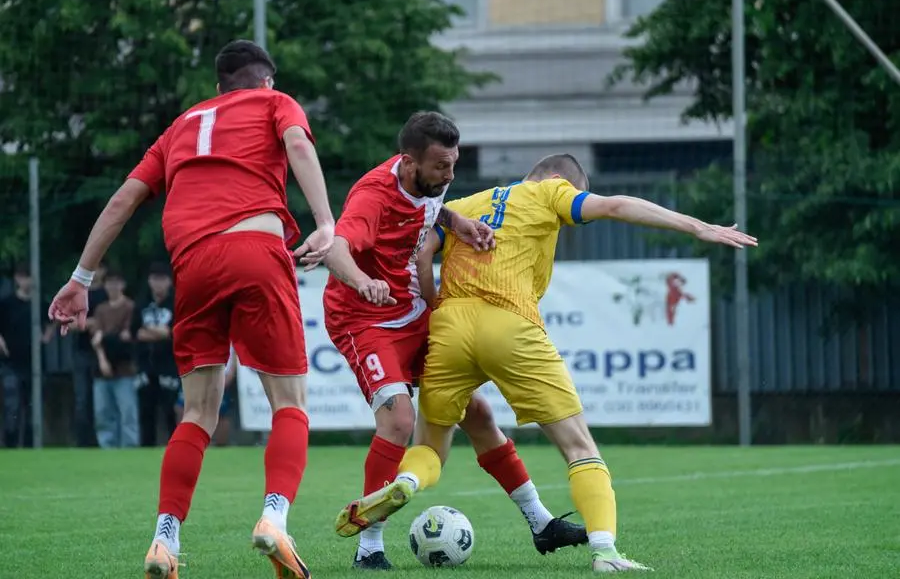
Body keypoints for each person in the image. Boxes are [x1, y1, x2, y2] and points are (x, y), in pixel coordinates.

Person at [341, 154, 758, 573]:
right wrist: (698, 226)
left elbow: (422, 253)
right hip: (510, 325)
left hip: (449, 328)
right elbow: (615, 205)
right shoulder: (551, 192)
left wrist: (435, 303)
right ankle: (606, 553)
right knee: (579, 447)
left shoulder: (465, 205)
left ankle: (408, 483)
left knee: (430, 447)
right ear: (562, 181)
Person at [48, 40, 335, 579]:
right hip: (254, 250)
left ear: (219, 88)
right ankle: (274, 519)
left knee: (197, 412)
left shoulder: (180, 127)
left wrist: (79, 279)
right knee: (290, 403)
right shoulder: (275, 105)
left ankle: (164, 540)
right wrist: (324, 220)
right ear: (266, 83)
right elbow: (297, 144)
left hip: (193, 267)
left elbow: (122, 202)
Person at [323, 113, 587, 570]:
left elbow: (427, 209)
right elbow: (335, 249)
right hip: (363, 318)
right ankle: (369, 548)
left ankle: (541, 522)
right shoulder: (371, 197)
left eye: (453, 164)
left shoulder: (429, 179)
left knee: (478, 412)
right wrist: (363, 280)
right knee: (399, 420)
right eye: (441, 167)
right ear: (408, 163)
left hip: (411, 311)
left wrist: (458, 221)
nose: (450, 175)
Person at [0, 263, 53, 448]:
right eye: (23, 276)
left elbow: (54, 320)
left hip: (36, 364)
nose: (26, 281)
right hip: (11, 363)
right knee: (12, 407)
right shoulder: (6, 303)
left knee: (33, 409)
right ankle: (11, 446)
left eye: (29, 276)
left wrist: (46, 336)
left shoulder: (40, 303)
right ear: (16, 279)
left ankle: (31, 447)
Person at [91, 268, 140, 448]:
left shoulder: (130, 307)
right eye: (109, 283)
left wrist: (104, 337)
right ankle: (107, 447)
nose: (113, 286)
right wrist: (102, 359)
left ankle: (129, 447)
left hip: (125, 367)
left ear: (123, 285)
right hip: (102, 368)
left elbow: (126, 336)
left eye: (116, 282)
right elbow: (96, 339)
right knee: (103, 413)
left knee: (127, 412)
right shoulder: (101, 309)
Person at [133, 261, 179, 446]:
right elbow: (134, 332)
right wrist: (159, 331)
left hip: (169, 364)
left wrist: (149, 329)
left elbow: (173, 332)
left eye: (162, 279)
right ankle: (146, 448)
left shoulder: (176, 303)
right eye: (154, 279)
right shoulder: (142, 303)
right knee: (146, 411)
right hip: (146, 365)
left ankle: (175, 447)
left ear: (169, 281)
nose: (158, 283)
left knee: (170, 409)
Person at [70, 260, 107, 447]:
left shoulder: (108, 294)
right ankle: (84, 444)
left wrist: (95, 324)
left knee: (103, 403)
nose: (96, 271)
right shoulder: (78, 293)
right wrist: (89, 323)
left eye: (99, 267)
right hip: (82, 353)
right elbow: (68, 323)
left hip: (106, 355)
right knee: (82, 400)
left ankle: (104, 443)